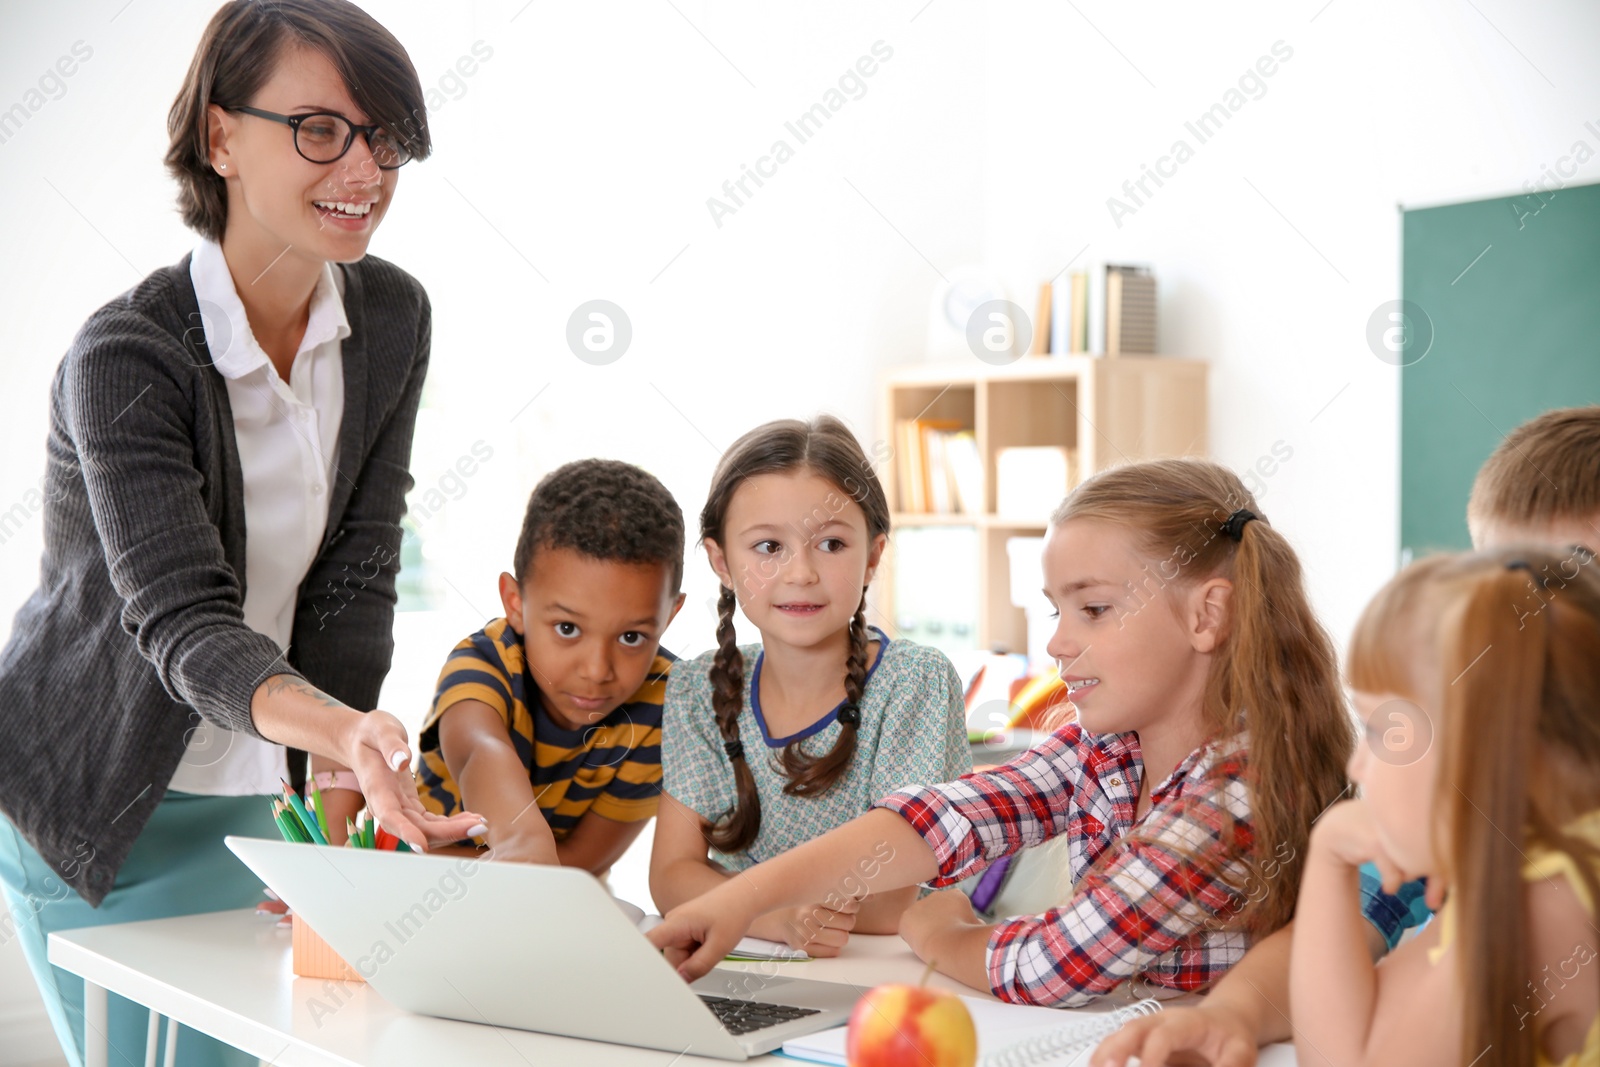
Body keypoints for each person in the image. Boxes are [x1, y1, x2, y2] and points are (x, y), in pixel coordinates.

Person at [0, 4, 480, 1064]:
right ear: (221, 137)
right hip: (93, 808)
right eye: (320, 128)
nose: (365, 165)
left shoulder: (392, 316)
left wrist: (344, 770)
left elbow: (356, 572)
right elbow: (182, 621)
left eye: (385, 134)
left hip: (265, 804)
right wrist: (338, 732)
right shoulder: (126, 356)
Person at [648, 457, 1355, 1005]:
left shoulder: (1233, 791)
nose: (1056, 644)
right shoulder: (1102, 750)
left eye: (1095, 609)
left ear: (1206, 616)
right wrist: (740, 900)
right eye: (1056, 612)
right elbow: (943, 817)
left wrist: (940, 932)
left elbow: (1058, 964)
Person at [1093, 404, 1600, 1067]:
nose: (1518, 625)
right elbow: (1360, 911)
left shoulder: (1543, 890)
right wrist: (1233, 1011)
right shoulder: (1476, 804)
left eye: (1564, 581)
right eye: (1494, 581)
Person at [648, 416, 971, 954]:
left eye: (831, 544)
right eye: (768, 547)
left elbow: (896, 895)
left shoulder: (915, 684)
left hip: (893, 968)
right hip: (753, 955)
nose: (800, 573)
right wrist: (780, 921)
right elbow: (672, 878)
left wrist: (740, 904)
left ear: (872, 556)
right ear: (722, 562)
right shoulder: (696, 689)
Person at [1292, 545, 1600, 1066]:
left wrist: (1327, 857)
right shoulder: (1549, 869)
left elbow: (1341, 1060)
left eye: (1379, 730)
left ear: (1481, 746)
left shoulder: (1541, 905)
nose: (1356, 767)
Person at [416, 460, 686, 876]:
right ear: (515, 603)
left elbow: (587, 860)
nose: (597, 670)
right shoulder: (485, 663)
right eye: (567, 628)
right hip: (417, 888)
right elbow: (477, 752)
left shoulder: (669, 703)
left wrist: (519, 865)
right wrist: (522, 842)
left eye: (631, 637)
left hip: (547, 895)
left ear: (669, 616)